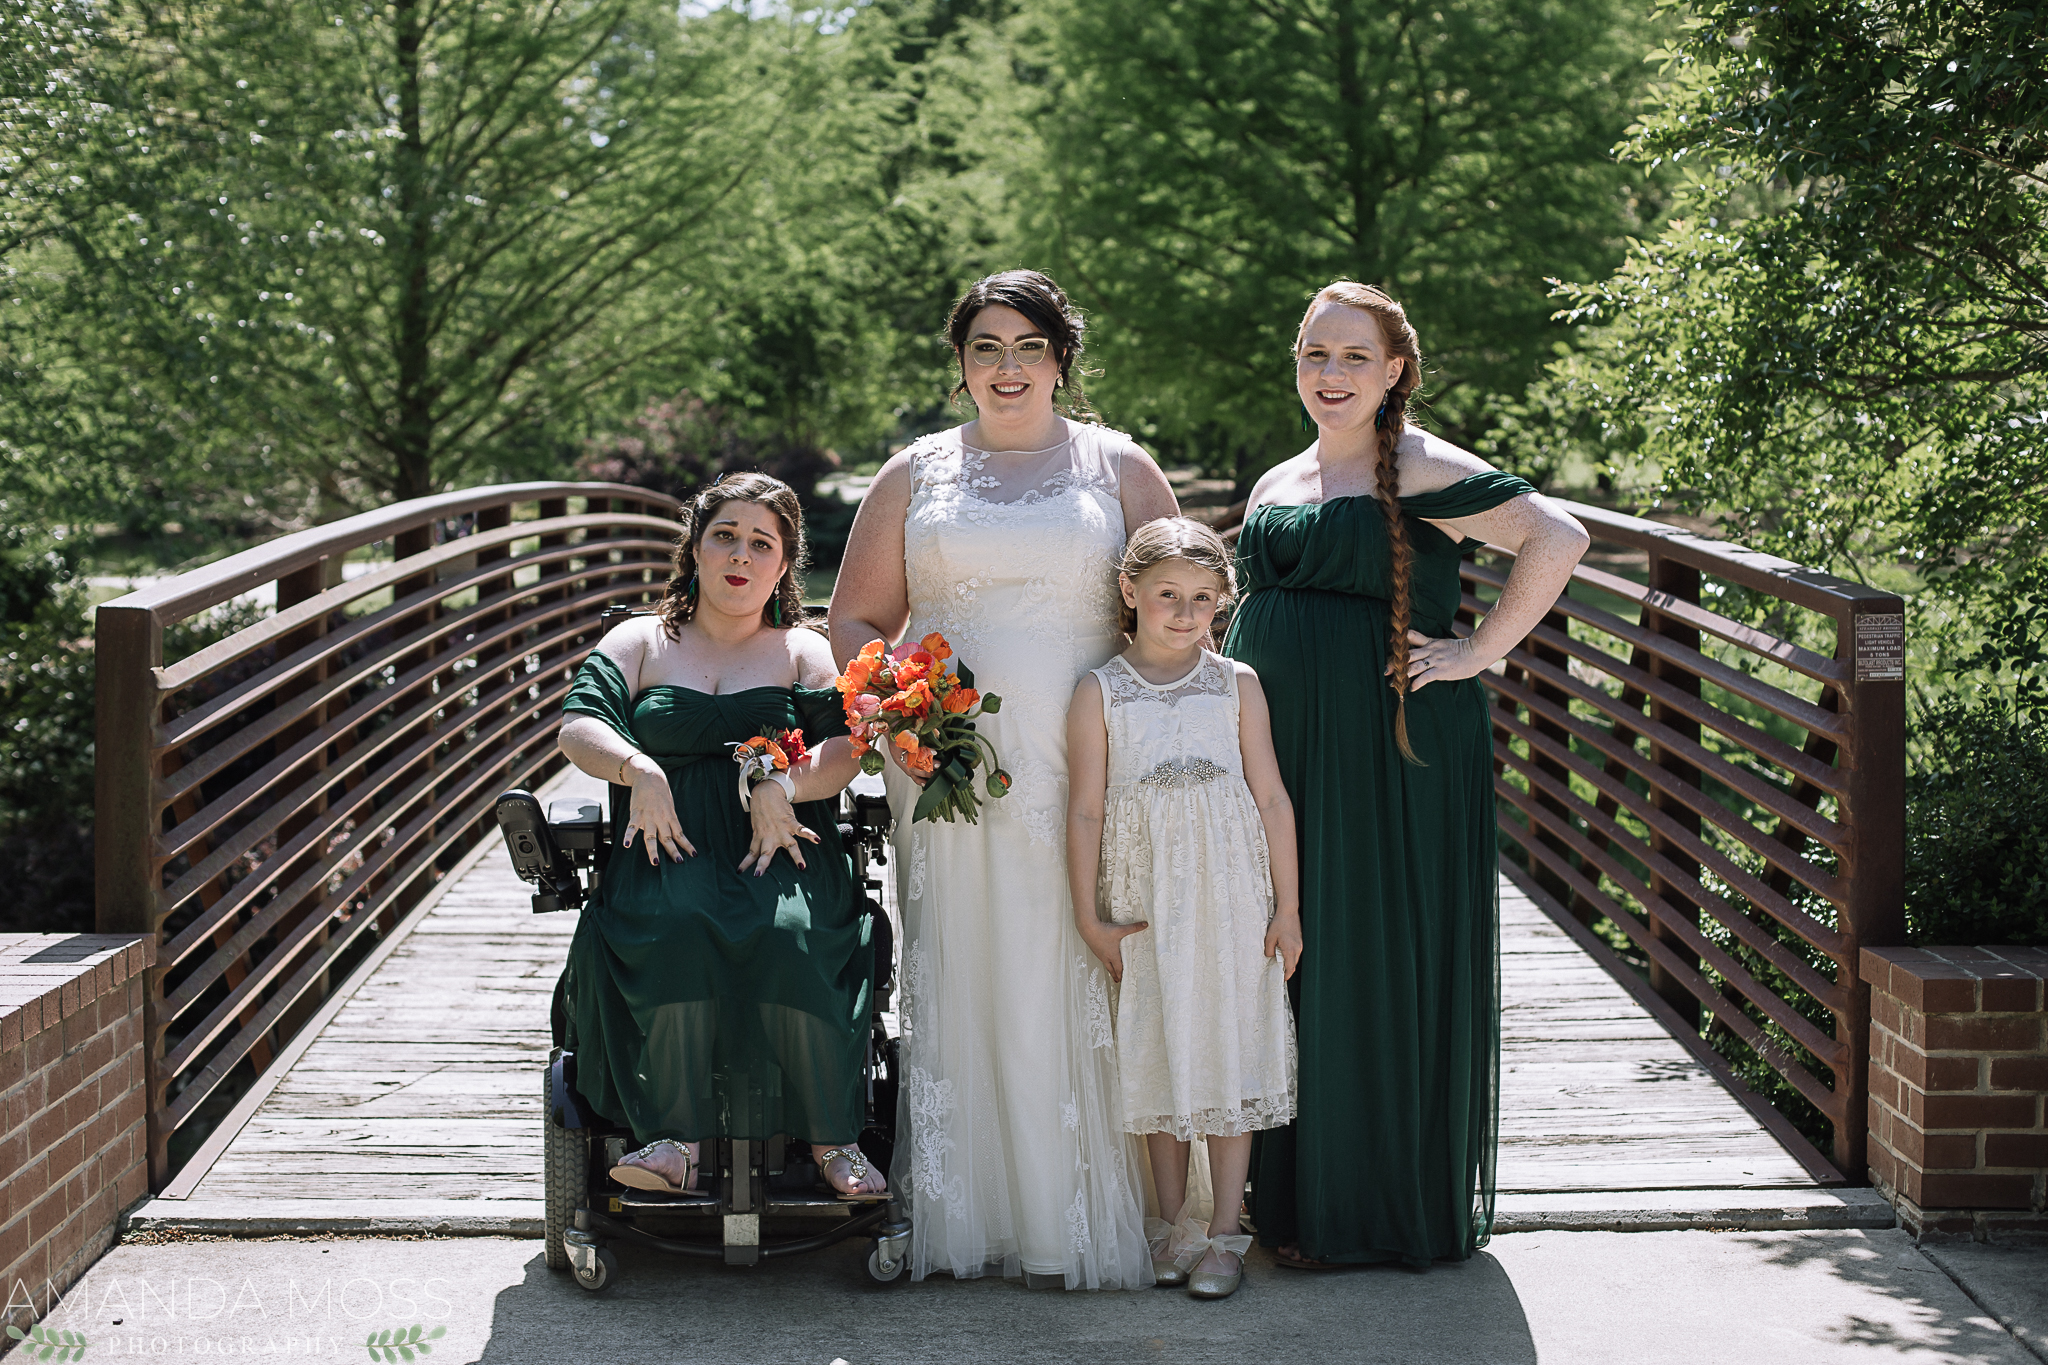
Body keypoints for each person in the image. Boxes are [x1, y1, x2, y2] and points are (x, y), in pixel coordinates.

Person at [1226, 281, 1589, 1267]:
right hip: (1280, 755)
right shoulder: (1276, 482)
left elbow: (1556, 537)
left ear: (1392, 372)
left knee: (1366, 955)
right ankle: (1289, 1203)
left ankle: (1373, 1207)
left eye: (1352, 358)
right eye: (1314, 355)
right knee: (1286, 953)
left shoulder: (1418, 465)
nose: (1330, 375)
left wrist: (1478, 650)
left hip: (1389, 754)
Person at [830, 269, 1180, 1288]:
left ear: (1060, 360)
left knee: (1080, 960)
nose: (1007, 368)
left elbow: (1183, 605)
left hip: (1090, 758)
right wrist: (897, 710)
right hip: (950, 767)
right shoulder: (913, 473)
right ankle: (968, 1212)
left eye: (1028, 347)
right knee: (970, 966)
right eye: (985, 347)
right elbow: (854, 619)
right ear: (960, 364)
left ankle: (1104, 1207)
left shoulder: (1116, 467)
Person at [556, 472, 887, 1201]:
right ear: (696, 550)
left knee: (793, 934)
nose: (741, 555)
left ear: (783, 563)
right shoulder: (642, 639)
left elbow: (845, 750)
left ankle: (834, 1138)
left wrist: (781, 784)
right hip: (666, 846)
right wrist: (637, 765)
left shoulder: (803, 650)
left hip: (780, 844)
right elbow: (578, 725)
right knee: (675, 927)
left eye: (760, 543)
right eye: (725, 537)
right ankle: (674, 1140)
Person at [1065, 517, 1303, 1301]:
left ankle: (1228, 1230)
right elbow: (1087, 812)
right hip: (1148, 898)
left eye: (1203, 598)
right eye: (1168, 594)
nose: (1185, 612)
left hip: (1234, 895)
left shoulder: (1236, 682)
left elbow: (1271, 796)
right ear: (1130, 592)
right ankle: (1175, 1225)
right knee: (1158, 1050)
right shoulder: (1100, 689)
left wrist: (1288, 907)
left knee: (1230, 1046)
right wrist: (1091, 919)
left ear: (1221, 604)